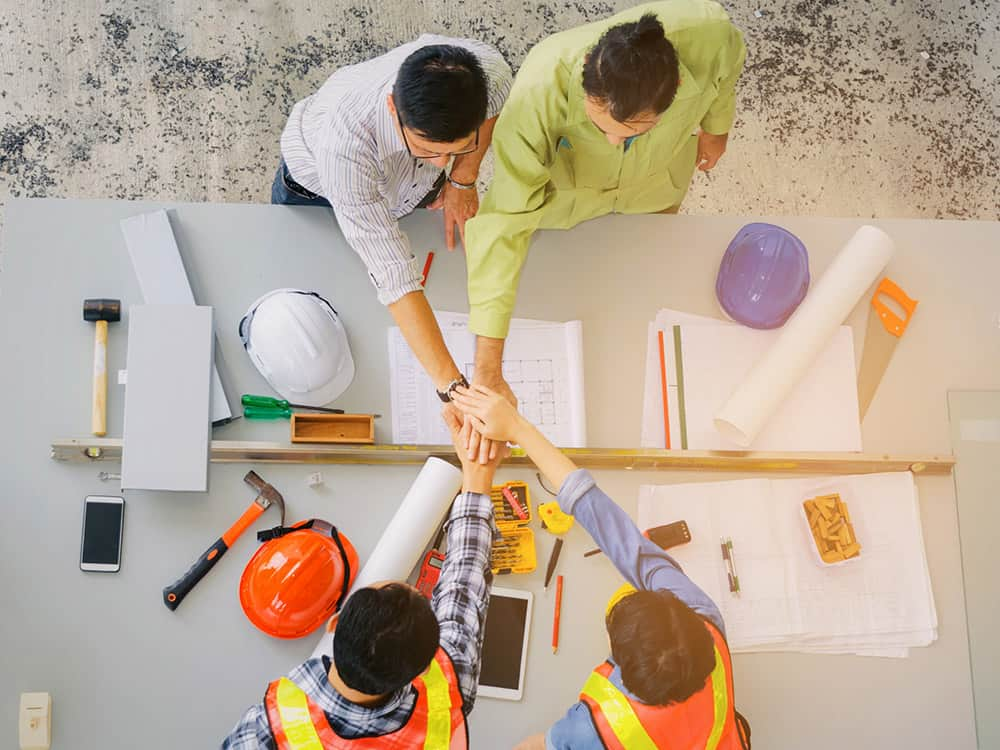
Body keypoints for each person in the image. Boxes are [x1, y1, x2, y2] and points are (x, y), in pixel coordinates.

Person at [462, 1, 746, 412]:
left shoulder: (712, 33)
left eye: (632, 130)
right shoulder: (538, 92)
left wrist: (717, 129)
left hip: (655, 189)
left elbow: (726, 74)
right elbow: (505, 222)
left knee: (635, 297)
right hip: (568, 205)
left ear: (677, 89)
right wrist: (488, 368)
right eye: (599, 126)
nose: (613, 141)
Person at [452, 384, 750, 750]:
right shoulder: (703, 619)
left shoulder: (597, 728)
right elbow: (610, 526)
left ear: (619, 663)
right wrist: (516, 428)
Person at [221, 409, 502, 749]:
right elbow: (464, 583)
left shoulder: (270, 728)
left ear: (334, 624)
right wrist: (478, 471)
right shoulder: (446, 688)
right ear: (421, 669)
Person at [273, 37, 513, 425]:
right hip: (318, 192)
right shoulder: (343, 146)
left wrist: (462, 180)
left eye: (456, 148)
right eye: (428, 148)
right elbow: (395, 275)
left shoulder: (490, 71)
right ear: (392, 108)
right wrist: (453, 389)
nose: (443, 161)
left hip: (408, 186)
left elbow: (490, 114)